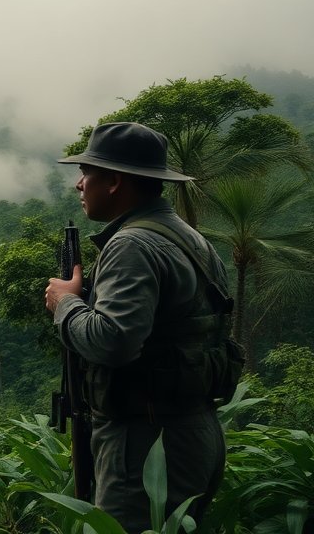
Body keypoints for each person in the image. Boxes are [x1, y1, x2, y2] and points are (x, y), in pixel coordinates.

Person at [45, 122, 233, 530]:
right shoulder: (188, 237)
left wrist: (66, 304)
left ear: (113, 182)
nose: (79, 185)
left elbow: (113, 342)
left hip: (147, 445)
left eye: (87, 174)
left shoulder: (132, 244)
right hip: (192, 431)